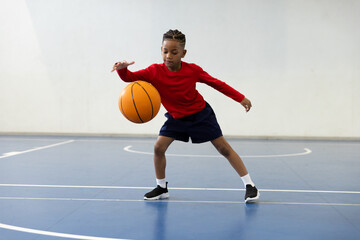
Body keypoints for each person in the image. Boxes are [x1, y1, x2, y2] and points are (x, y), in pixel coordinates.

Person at [112, 29, 259, 203]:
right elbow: (131, 77)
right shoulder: (154, 71)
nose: (169, 56)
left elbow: (217, 84)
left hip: (200, 115)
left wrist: (240, 98)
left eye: (174, 52)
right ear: (161, 50)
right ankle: (161, 187)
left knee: (223, 148)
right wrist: (122, 70)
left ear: (183, 53)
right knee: (158, 148)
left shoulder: (193, 70)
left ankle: (250, 186)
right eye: (165, 51)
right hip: (176, 118)